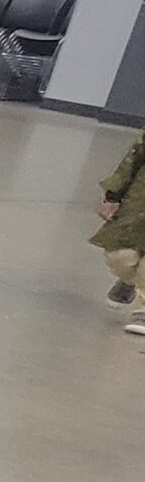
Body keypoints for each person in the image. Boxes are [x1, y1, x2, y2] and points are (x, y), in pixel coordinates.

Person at [92, 128, 145, 336]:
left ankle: (143, 311)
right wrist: (113, 196)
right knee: (119, 255)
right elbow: (134, 157)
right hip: (138, 201)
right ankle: (130, 281)